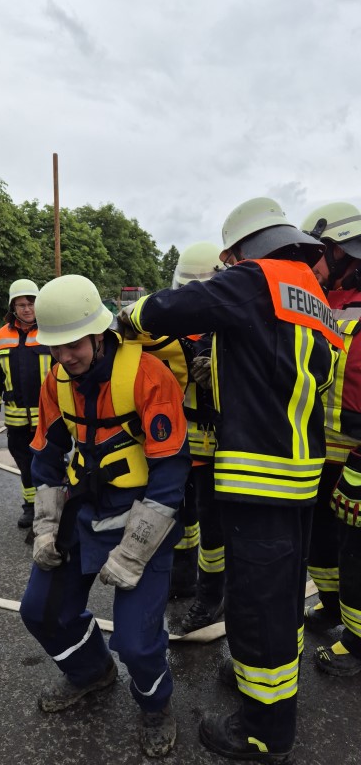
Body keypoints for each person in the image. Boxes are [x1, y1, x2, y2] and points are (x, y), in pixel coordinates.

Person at [120, 197, 342, 763]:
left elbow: (170, 309)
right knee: (280, 599)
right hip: (298, 476)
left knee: (258, 607)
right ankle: (258, 680)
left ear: (247, 249)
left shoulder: (257, 279)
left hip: (259, 479)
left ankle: (264, 731)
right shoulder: (313, 297)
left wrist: (127, 318)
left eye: (232, 258)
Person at [19, 274, 191, 758]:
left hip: (143, 517)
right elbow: (46, 457)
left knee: (137, 642)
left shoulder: (147, 375)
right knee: (40, 610)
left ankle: (155, 706)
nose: (64, 356)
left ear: (99, 333)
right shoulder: (57, 380)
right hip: (83, 511)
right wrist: (46, 527)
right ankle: (91, 672)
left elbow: (170, 475)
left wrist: (134, 552)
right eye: (55, 347)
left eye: (73, 344)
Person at [301, 202, 361, 676]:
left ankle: (358, 643)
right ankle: (332, 605)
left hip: (359, 450)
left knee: (356, 550)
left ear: (339, 250)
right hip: (323, 446)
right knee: (320, 539)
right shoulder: (318, 299)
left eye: (315, 252)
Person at [170, 242, 226, 632]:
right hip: (178, 444)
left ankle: (211, 597)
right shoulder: (166, 329)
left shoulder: (228, 328)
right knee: (181, 516)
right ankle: (181, 580)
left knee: (212, 526)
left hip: (217, 447)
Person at [0, 279, 52, 528]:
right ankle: (30, 508)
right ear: (13, 307)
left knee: (50, 462)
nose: (26, 309)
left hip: (48, 416)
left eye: (31, 303)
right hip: (16, 419)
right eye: (21, 305)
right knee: (25, 464)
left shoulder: (50, 332)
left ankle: (54, 508)